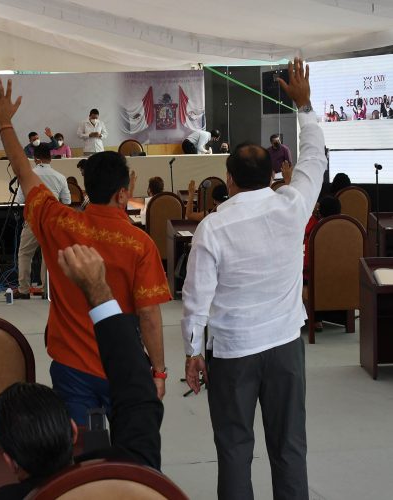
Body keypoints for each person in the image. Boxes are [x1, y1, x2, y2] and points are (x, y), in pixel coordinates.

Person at [0, 79, 170, 426]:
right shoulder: (139, 244)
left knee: (80, 459)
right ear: (122, 193)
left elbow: (23, 171)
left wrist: (4, 123)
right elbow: (148, 317)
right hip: (124, 366)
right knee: (131, 458)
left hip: (71, 367)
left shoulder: (58, 223)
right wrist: (158, 372)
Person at [182, 58, 326, 500]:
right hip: (285, 346)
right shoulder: (293, 205)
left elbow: (195, 301)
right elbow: (315, 158)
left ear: (228, 180)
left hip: (232, 353)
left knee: (234, 450)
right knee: (290, 448)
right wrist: (303, 106)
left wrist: (192, 352)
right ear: (272, 175)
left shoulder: (212, 227)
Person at [0, 245, 164, 499]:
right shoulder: (131, 470)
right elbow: (138, 398)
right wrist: (98, 289)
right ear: (73, 430)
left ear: (10, 461)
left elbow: (139, 401)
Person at [14, 144, 71, 299]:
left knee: (25, 253)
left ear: (35, 158)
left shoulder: (28, 175)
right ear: (50, 157)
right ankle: (47, 290)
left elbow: (19, 200)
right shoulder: (60, 177)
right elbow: (67, 201)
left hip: (33, 219)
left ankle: (24, 289)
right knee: (48, 255)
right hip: (52, 221)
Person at [302, 196, 341, 331]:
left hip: (313, 277)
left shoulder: (316, 229)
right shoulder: (347, 228)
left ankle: (312, 318)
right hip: (343, 277)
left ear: (320, 210)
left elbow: (306, 263)